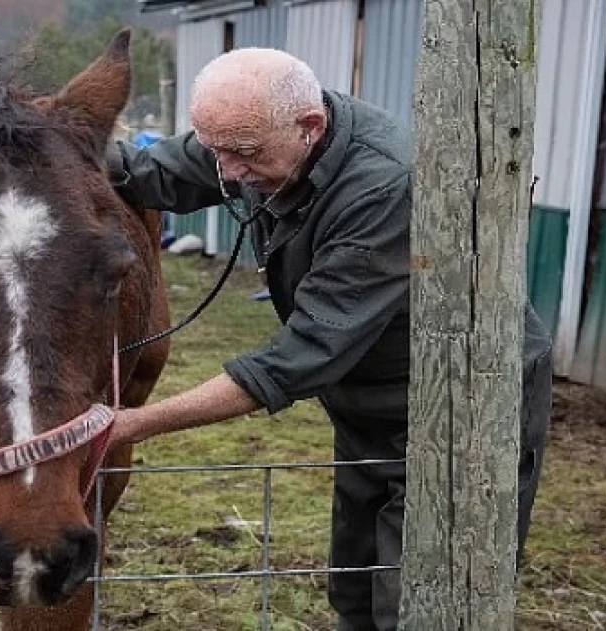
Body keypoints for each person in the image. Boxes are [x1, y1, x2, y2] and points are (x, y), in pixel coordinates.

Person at [105, 47, 553, 631]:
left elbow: (298, 358)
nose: (227, 172)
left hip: (459, 411)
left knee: (424, 602)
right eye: (214, 149)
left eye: (242, 153)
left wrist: (132, 424)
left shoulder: (385, 186)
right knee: (358, 591)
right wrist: (36, 144)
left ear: (309, 127)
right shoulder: (248, 139)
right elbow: (149, 170)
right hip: (369, 399)